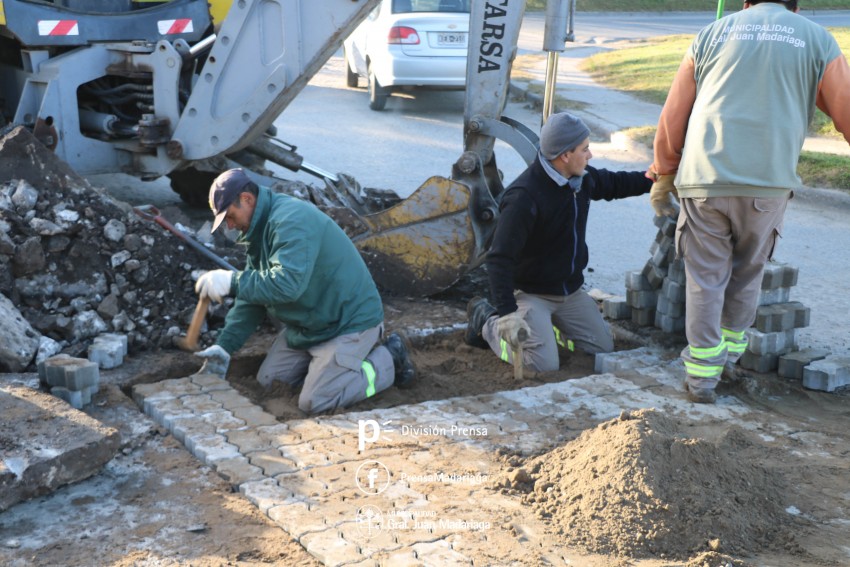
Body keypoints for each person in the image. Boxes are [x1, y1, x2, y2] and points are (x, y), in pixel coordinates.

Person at [647, 0, 850, 403]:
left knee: (705, 279)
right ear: (795, 4)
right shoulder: (817, 39)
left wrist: (664, 171)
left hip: (705, 179)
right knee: (746, 273)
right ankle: (727, 357)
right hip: (767, 185)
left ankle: (701, 381)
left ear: (745, 3)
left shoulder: (711, 34)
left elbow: (675, 115)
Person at [191, 168, 415, 414]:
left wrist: (232, 282)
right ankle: (330, 365)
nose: (231, 226)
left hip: (348, 322)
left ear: (247, 199)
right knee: (268, 382)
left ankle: (389, 359)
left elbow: (287, 285)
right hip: (310, 325)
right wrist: (225, 346)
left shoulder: (290, 220)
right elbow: (255, 296)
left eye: (230, 217)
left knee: (315, 402)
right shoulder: (257, 230)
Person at [464, 112, 652, 372]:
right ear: (565, 155)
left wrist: (654, 178)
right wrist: (508, 314)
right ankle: (486, 323)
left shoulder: (580, 179)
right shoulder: (525, 197)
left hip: (570, 292)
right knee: (541, 365)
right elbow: (499, 259)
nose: (590, 155)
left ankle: (547, 327)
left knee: (601, 349)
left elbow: (615, 184)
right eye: (585, 149)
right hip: (531, 294)